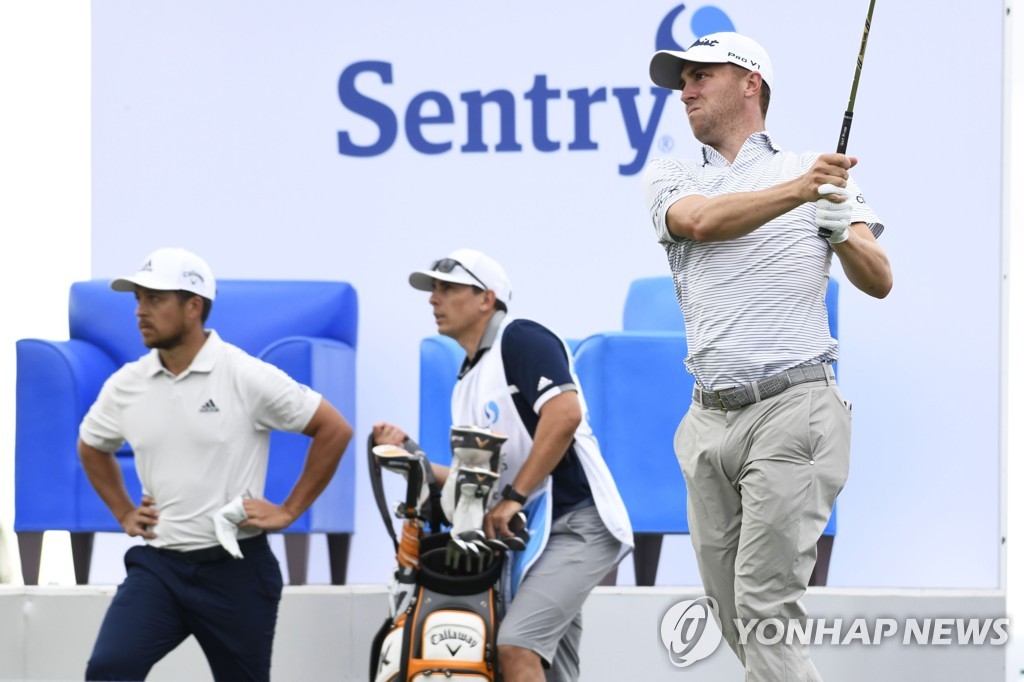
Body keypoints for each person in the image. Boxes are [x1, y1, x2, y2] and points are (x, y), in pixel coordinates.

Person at [643, 33, 892, 680]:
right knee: (733, 613)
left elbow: (879, 278)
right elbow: (701, 222)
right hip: (708, 420)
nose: (685, 91)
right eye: (682, 80)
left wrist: (841, 234)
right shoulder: (673, 176)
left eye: (701, 75)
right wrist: (804, 193)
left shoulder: (815, 171)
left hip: (793, 409)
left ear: (750, 82)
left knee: (764, 605)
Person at [77, 247, 353, 682]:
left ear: (194, 306)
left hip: (237, 570)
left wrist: (289, 511)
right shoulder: (125, 385)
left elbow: (334, 429)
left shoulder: (244, 374)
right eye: (138, 299)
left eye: (154, 299)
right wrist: (123, 511)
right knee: (109, 669)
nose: (140, 311)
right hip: (160, 569)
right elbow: (92, 445)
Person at [372, 248, 633, 682]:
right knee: (548, 667)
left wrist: (513, 498)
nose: (433, 298)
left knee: (515, 647)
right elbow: (477, 481)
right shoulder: (466, 381)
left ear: (486, 298)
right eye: (433, 289)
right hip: (532, 537)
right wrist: (412, 458)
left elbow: (564, 415)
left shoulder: (521, 336)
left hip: (577, 522)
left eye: (448, 288)